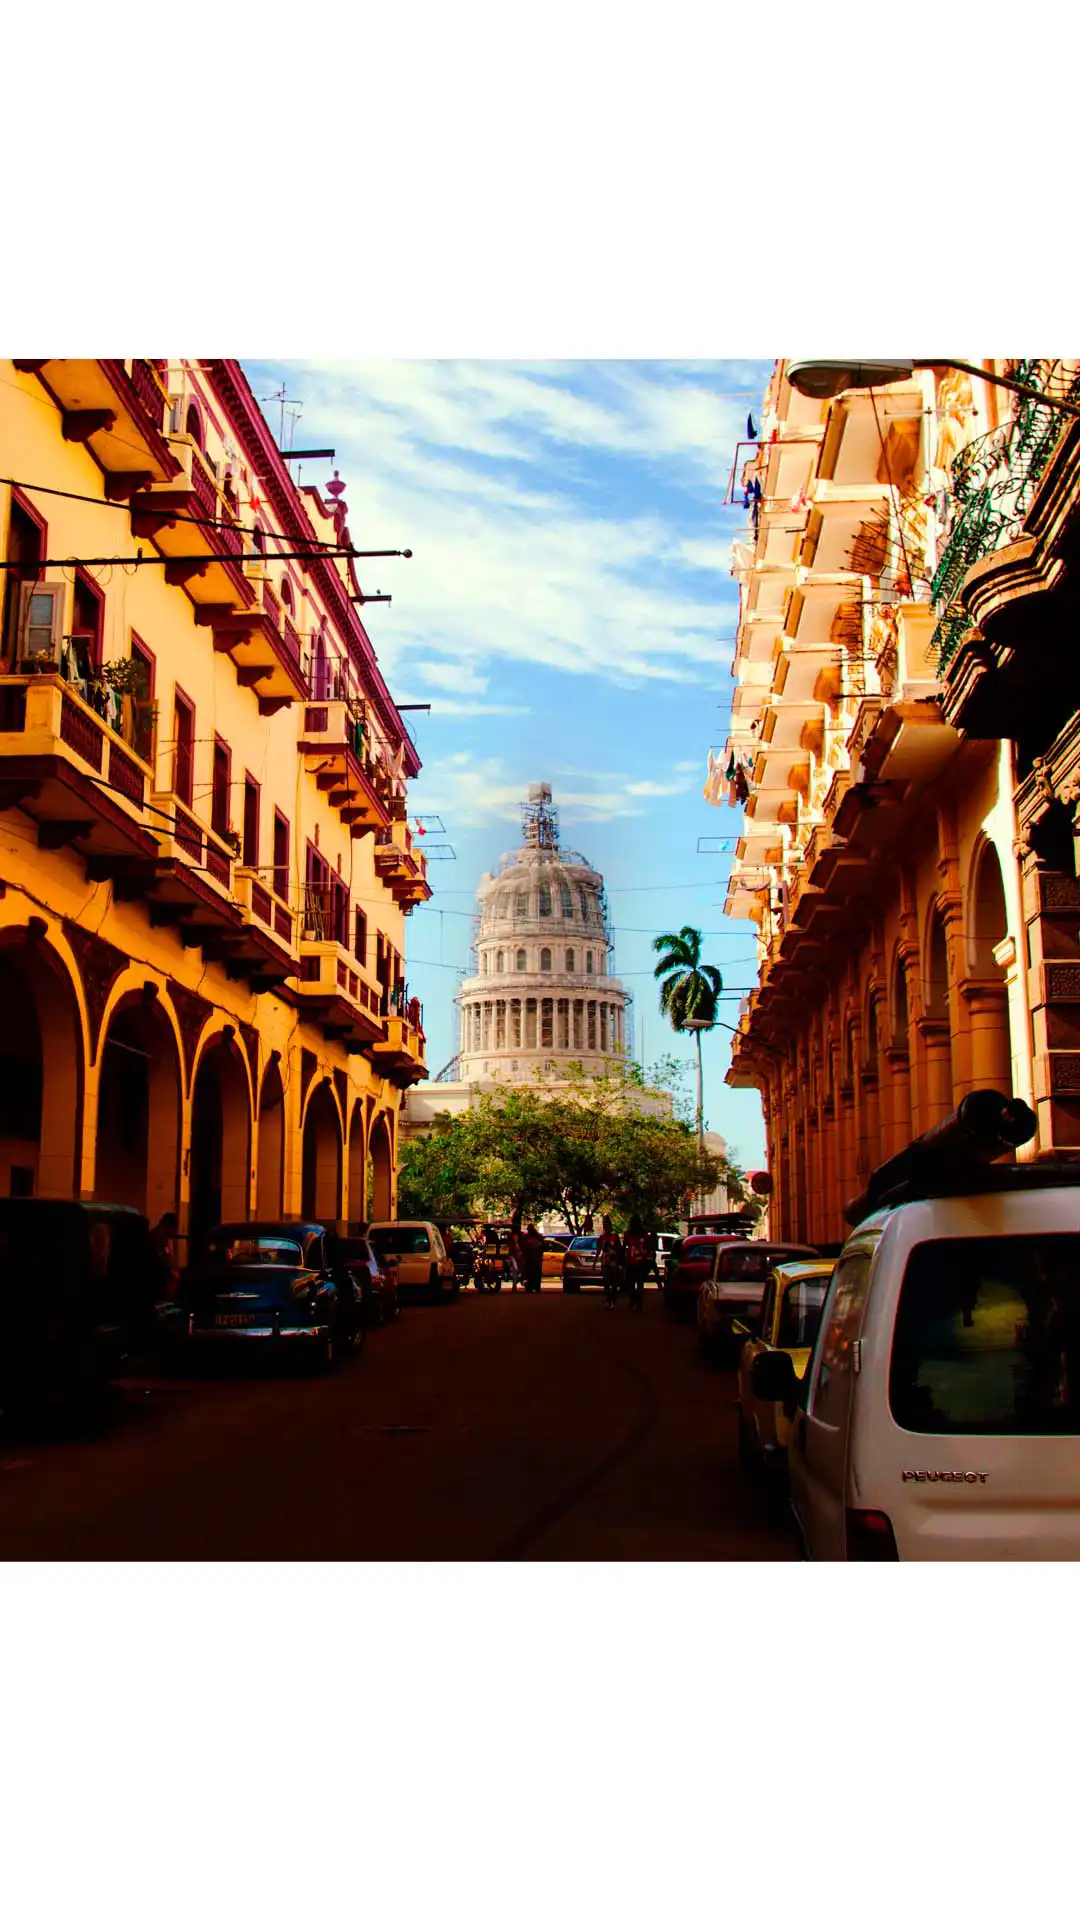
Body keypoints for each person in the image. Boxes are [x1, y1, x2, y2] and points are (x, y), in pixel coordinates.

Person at [623, 1215, 649, 1313]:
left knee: (638, 1283)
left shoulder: (644, 1234)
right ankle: (635, 1300)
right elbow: (624, 1248)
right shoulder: (627, 1234)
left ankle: (637, 1302)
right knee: (632, 1283)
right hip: (632, 1262)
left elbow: (648, 1247)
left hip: (640, 1262)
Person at [598, 1215, 623, 1309]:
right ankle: (608, 1300)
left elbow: (619, 1249)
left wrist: (618, 1258)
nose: (606, 1228)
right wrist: (595, 1262)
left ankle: (613, 1301)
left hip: (614, 1262)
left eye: (608, 1226)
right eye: (605, 1226)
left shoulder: (615, 1236)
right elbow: (599, 1249)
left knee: (614, 1283)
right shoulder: (601, 1237)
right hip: (605, 1262)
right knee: (606, 1282)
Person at [522, 1224, 545, 1293]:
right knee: (535, 1274)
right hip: (533, 1258)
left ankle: (532, 1287)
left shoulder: (528, 1237)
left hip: (532, 1258)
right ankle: (535, 1287)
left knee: (532, 1273)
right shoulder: (537, 1237)